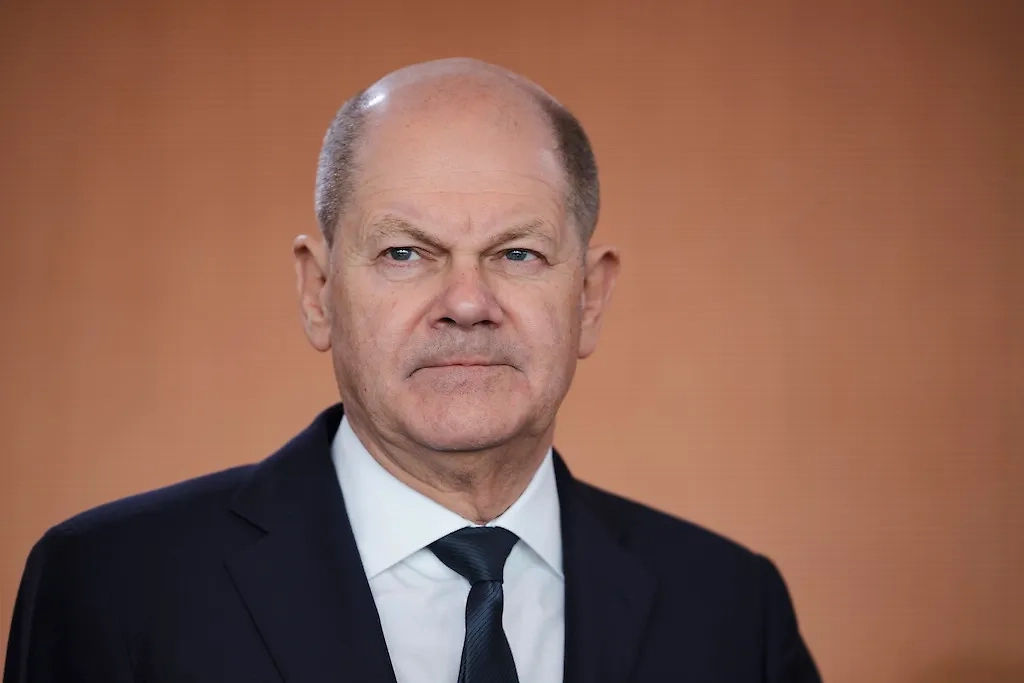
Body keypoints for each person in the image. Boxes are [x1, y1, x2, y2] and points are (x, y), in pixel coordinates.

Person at [4, 58, 821, 683]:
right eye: (404, 252)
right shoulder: (114, 586)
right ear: (318, 292)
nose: (466, 303)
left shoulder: (732, 609)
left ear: (590, 297)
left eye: (517, 253)